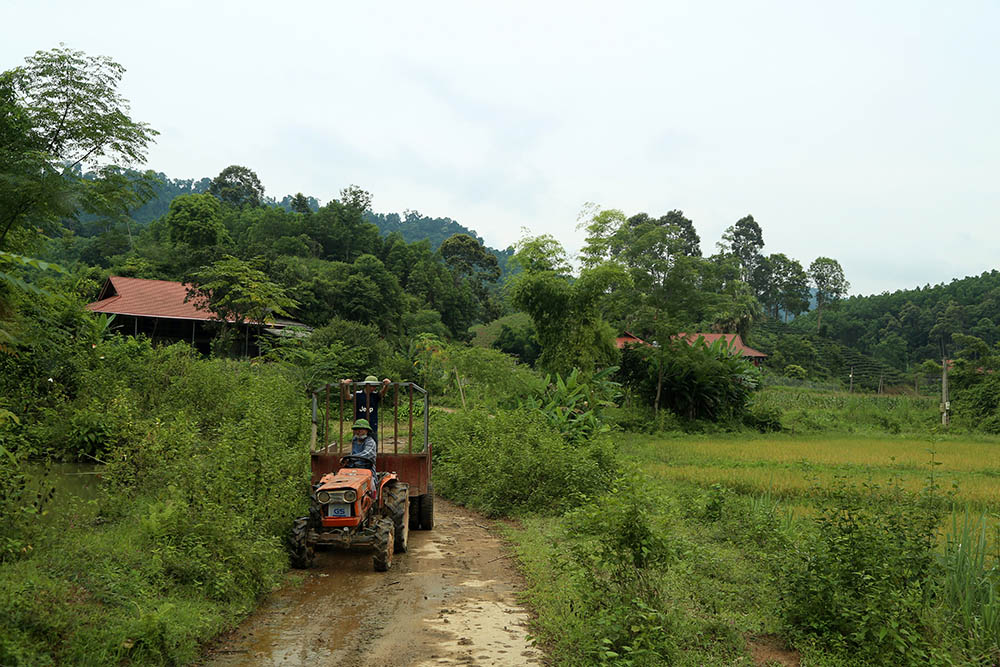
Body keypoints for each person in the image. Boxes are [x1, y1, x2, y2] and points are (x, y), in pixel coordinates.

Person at [341, 375, 391, 442]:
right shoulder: (358, 394)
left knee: (373, 444)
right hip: (360, 425)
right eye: (372, 386)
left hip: (372, 424)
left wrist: (386, 386)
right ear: (366, 385)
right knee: (358, 445)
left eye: (375, 386)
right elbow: (348, 397)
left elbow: (382, 393)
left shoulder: (375, 395)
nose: (373, 388)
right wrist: (346, 386)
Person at [348, 418, 379, 499]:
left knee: (371, 487)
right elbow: (353, 453)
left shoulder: (370, 442)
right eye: (357, 429)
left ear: (367, 431)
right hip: (353, 469)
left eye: (361, 429)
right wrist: (347, 460)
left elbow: (366, 454)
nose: (359, 432)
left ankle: (372, 501)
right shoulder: (354, 440)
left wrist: (352, 458)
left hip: (366, 470)